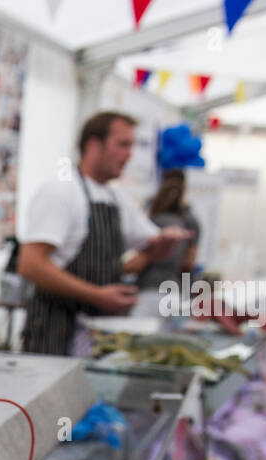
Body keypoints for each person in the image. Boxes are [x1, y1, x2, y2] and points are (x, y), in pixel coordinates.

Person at [17, 111, 189, 355]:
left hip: (99, 335)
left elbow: (150, 249)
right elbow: (30, 264)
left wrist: (166, 241)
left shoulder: (117, 199)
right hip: (54, 331)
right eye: (123, 145)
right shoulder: (61, 192)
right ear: (94, 144)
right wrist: (97, 295)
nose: (129, 154)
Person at [135, 168, 201, 310]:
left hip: (147, 289)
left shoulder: (152, 218)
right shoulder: (190, 221)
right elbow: (189, 262)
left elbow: (141, 260)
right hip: (174, 290)